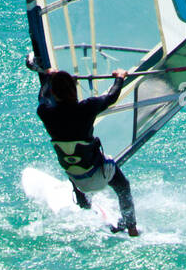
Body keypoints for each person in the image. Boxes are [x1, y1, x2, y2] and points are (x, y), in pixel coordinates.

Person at [28, 57, 140, 236]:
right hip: (99, 174)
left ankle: (83, 201)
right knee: (123, 186)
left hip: (76, 177)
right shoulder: (87, 108)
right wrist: (120, 77)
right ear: (74, 89)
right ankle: (132, 227)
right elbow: (110, 97)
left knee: (71, 155)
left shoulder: (45, 113)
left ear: (55, 94)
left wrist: (49, 78)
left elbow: (42, 97)